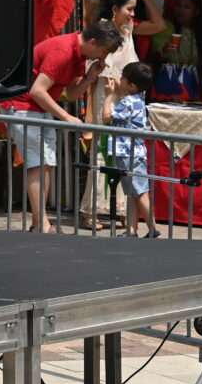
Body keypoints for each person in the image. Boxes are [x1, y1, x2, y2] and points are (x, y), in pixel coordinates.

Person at [6, 19, 122, 235]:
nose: (101, 57)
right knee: (40, 163)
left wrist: (89, 78)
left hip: (38, 109)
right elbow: (37, 90)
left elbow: (71, 94)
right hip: (24, 106)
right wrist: (66, 117)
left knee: (45, 162)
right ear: (93, 41)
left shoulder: (79, 56)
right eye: (102, 51)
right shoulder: (63, 51)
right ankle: (41, 224)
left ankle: (40, 222)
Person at [80, 0, 164, 226]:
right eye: (129, 8)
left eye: (135, 9)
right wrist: (93, 111)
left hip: (127, 95)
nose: (132, 14)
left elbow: (159, 25)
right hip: (105, 93)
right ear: (115, 8)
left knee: (122, 153)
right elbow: (92, 73)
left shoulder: (128, 29)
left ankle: (116, 211)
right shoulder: (101, 31)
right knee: (101, 152)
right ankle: (90, 212)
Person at [108, 61, 158, 239]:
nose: (119, 80)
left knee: (139, 192)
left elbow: (107, 116)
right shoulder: (140, 98)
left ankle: (152, 228)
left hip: (128, 153)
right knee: (132, 192)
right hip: (135, 152)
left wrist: (110, 95)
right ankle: (132, 229)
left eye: (123, 78)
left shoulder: (127, 101)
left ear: (132, 85)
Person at [149, 0, 202, 102]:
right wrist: (164, 50)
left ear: (196, 12)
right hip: (168, 79)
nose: (181, 10)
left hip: (191, 82)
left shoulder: (200, 33)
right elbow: (156, 53)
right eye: (179, 6)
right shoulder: (166, 27)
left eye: (187, 7)